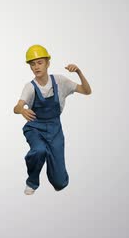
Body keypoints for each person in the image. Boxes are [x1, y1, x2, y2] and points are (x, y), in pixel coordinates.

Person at [13, 45, 91, 195]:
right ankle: (32, 181)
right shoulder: (30, 87)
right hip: (35, 128)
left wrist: (79, 72)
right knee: (39, 150)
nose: (36, 67)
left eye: (40, 62)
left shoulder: (60, 81)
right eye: (33, 64)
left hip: (55, 129)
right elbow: (16, 107)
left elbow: (87, 91)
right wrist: (22, 110)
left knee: (60, 183)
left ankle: (56, 178)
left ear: (48, 63)